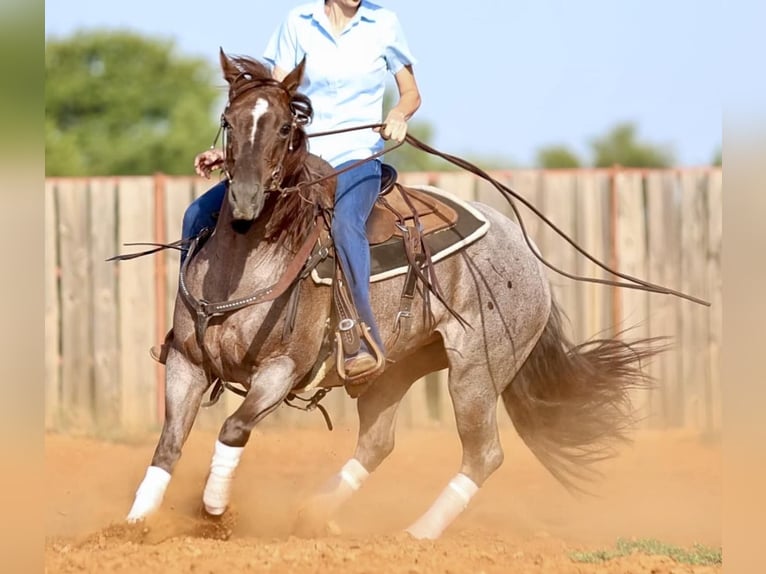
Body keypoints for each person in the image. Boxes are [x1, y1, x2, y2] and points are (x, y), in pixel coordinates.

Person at [162, 0, 421, 378]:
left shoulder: (384, 23)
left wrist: (399, 115)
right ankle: (182, 332)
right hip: (298, 157)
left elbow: (411, 92)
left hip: (357, 155)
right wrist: (238, 153)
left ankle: (360, 336)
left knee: (347, 224)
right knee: (196, 214)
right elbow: (271, 99)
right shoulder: (298, 22)